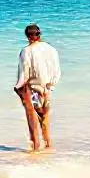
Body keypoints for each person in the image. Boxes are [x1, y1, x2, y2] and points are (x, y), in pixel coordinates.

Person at [13, 23, 61, 152]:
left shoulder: (27, 51)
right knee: (45, 117)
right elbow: (57, 71)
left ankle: (35, 149)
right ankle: (48, 146)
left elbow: (25, 73)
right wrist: (51, 86)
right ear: (39, 34)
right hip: (48, 88)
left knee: (33, 119)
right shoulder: (51, 49)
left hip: (33, 89)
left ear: (27, 36)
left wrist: (17, 87)